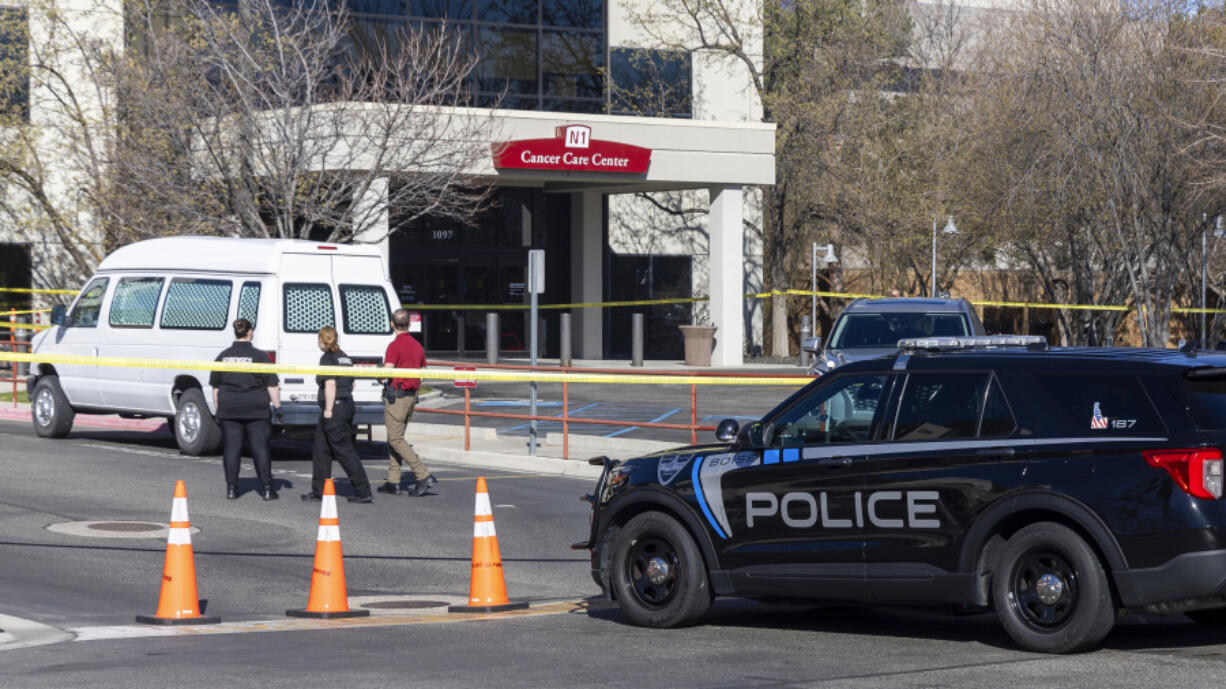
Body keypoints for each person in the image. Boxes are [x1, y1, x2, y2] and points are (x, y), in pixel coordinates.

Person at [210, 318, 282, 500]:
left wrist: (220, 410)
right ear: (250, 332)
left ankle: (232, 489)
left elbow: (216, 388)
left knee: (231, 449)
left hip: (229, 408)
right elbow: (272, 386)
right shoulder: (260, 357)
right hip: (256, 409)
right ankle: (266, 489)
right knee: (260, 448)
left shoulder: (223, 356)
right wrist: (278, 408)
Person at [302, 325, 373, 504]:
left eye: (318, 339)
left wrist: (328, 409)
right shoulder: (345, 357)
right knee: (321, 450)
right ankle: (319, 491)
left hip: (335, 408)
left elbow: (331, 384)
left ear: (322, 340)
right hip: (346, 405)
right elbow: (352, 384)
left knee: (344, 450)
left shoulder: (328, 358)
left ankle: (363, 491)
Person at [377, 309, 436, 497]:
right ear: (409, 325)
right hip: (411, 397)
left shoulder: (394, 346)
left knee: (395, 439)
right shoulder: (418, 346)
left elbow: (387, 373)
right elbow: (424, 371)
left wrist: (379, 376)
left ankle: (423, 474)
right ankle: (393, 481)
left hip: (397, 397)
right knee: (395, 438)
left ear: (392, 324)